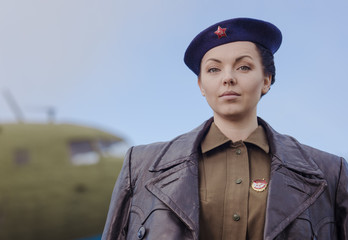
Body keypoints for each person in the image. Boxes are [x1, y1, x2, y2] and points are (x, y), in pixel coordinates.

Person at [101, 18, 348, 240]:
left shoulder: (329, 173)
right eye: (213, 69)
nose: (227, 78)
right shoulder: (141, 166)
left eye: (243, 67)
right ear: (201, 84)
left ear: (266, 80)